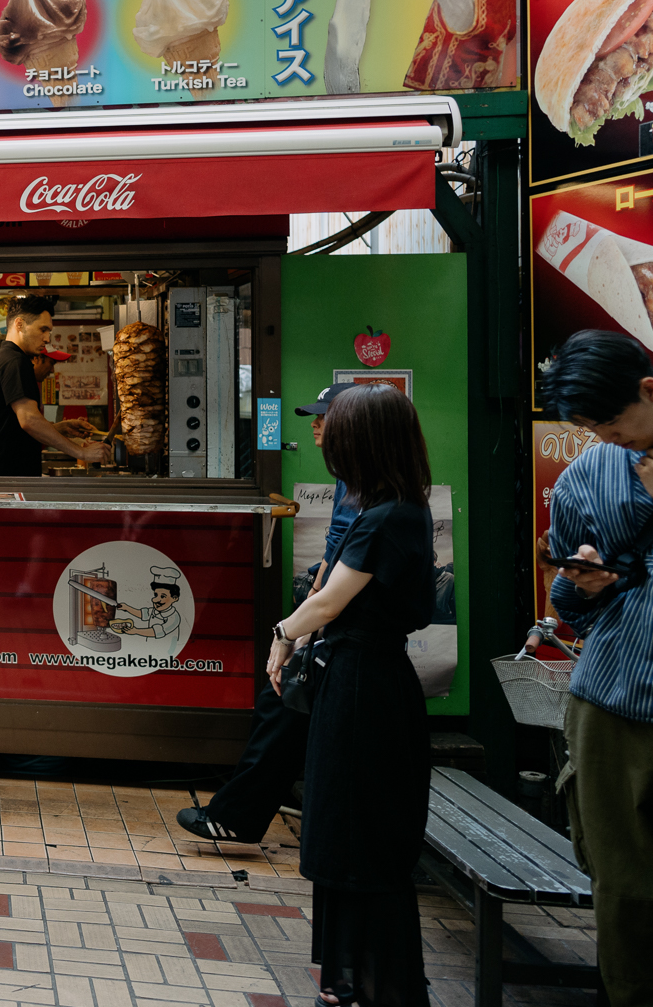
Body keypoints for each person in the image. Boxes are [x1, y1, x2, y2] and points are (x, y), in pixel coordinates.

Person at [266, 382, 435, 1007]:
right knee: (354, 832)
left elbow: (331, 601)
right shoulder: (399, 507)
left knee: (357, 832)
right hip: (370, 681)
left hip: (364, 690)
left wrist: (282, 635)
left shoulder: (385, 516)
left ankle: (374, 985)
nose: (325, 440)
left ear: (360, 442)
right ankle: (355, 981)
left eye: (335, 431)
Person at [179, 383, 360, 844]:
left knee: (281, 701)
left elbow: (337, 569)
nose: (315, 423)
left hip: (349, 636)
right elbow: (333, 561)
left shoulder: (367, 490)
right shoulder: (353, 478)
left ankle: (236, 817)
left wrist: (297, 632)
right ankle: (239, 815)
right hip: (337, 630)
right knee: (283, 705)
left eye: (324, 415)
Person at [536, 329, 653, 1007]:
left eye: (610, 422)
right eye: (588, 428)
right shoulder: (587, 476)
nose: (606, 438)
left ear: (647, 390)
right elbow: (566, 604)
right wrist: (581, 586)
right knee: (624, 888)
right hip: (611, 702)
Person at [0, 295, 108, 476]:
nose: (47, 339)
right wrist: (82, 452)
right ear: (19, 324)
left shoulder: (4, 358)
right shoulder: (15, 361)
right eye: (43, 329)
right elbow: (29, 420)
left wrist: (59, 428)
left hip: (2, 477)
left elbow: (10, 429)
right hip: (7, 479)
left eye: (49, 332)